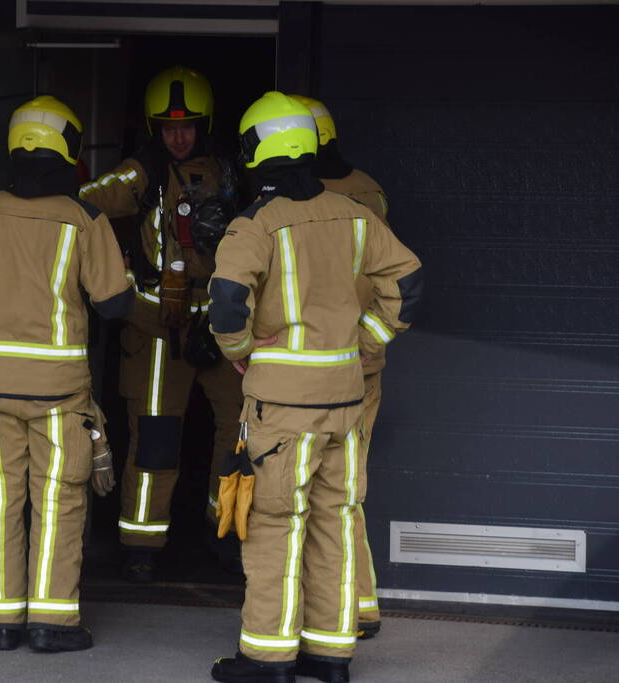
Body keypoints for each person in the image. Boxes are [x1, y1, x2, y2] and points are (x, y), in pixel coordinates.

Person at [208, 92, 423, 683]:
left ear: (257, 152)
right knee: (335, 517)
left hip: (282, 408)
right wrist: (365, 342)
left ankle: (268, 659)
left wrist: (242, 356)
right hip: (346, 397)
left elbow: (227, 304)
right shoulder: (356, 214)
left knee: (275, 524)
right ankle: (331, 657)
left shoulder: (255, 224)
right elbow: (410, 284)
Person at [0, 95, 132, 652]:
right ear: (70, 149)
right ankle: (52, 623)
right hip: (60, 397)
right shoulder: (83, 220)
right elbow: (115, 303)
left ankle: (2, 623)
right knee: (60, 502)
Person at [80, 66, 244, 581]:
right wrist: (121, 276)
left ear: (206, 125)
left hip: (222, 323)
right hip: (158, 328)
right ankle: (140, 546)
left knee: (238, 433)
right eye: (168, 127)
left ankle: (228, 536)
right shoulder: (141, 171)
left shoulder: (231, 171)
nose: (178, 136)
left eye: (189, 126)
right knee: (154, 437)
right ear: (153, 129)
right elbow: (80, 205)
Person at [289, 94, 391, 640]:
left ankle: (336, 609)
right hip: (358, 364)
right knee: (345, 493)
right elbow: (392, 280)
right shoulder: (368, 190)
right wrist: (369, 341)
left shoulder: (309, 203)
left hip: (317, 374)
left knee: (313, 501)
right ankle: (359, 603)